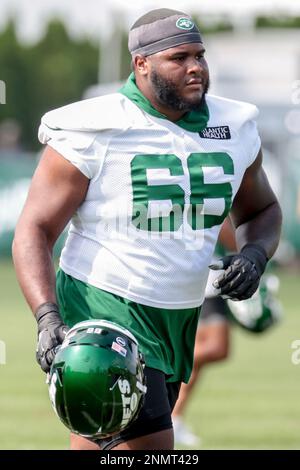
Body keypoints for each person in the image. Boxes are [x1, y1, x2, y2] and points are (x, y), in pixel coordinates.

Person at [12, 8, 282, 451]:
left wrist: (254, 255)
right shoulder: (93, 128)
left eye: (199, 55)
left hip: (178, 312)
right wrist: (46, 316)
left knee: (99, 444)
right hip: (105, 304)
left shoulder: (233, 127)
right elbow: (34, 228)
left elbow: (263, 209)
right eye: (178, 58)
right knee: (152, 446)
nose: (195, 67)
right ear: (141, 64)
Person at [172, 217, 235, 446]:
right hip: (205, 273)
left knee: (202, 352)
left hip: (210, 273)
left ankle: (174, 416)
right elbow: (226, 230)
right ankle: (153, 370)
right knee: (217, 347)